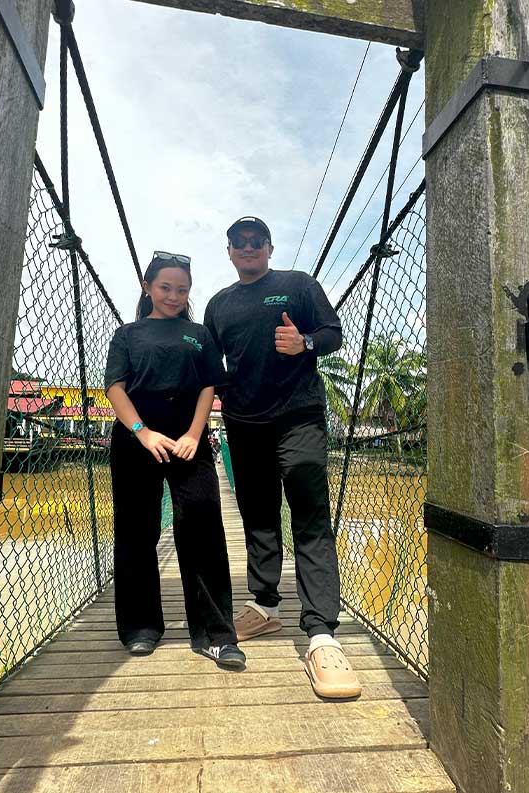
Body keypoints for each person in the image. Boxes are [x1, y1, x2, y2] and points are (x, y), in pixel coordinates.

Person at [204, 217, 361, 699]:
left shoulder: (297, 286)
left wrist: (305, 343)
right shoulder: (219, 304)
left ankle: (321, 635)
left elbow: (334, 333)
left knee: (310, 517)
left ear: (269, 247)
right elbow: (211, 365)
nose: (248, 248)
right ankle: (266, 607)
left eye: (256, 241)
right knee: (258, 516)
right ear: (229, 251)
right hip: (244, 425)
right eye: (239, 242)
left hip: (299, 417)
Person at [104, 251, 245, 669]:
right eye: (165, 287)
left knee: (202, 526)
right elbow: (114, 387)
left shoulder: (198, 334)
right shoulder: (126, 334)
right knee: (135, 531)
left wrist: (193, 434)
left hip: (187, 441)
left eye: (182, 289)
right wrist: (142, 432)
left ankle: (215, 634)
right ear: (147, 288)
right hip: (137, 441)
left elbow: (208, 387)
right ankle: (141, 627)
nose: (173, 296)